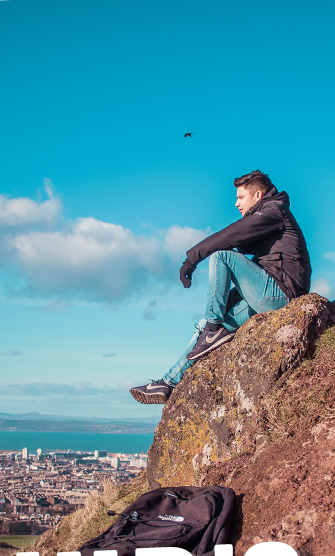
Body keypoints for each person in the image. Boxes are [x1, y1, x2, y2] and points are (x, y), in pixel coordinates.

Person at [130, 170, 311, 404]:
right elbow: (240, 242)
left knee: (221, 257)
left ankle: (213, 325)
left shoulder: (274, 211)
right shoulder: (268, 216)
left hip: (280, 295)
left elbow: (230, 236)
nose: (236, 203)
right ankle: (167, 383)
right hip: (265, 297)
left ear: (258, 195)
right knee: (207, 327)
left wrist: (192, 259)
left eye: (240, 197)